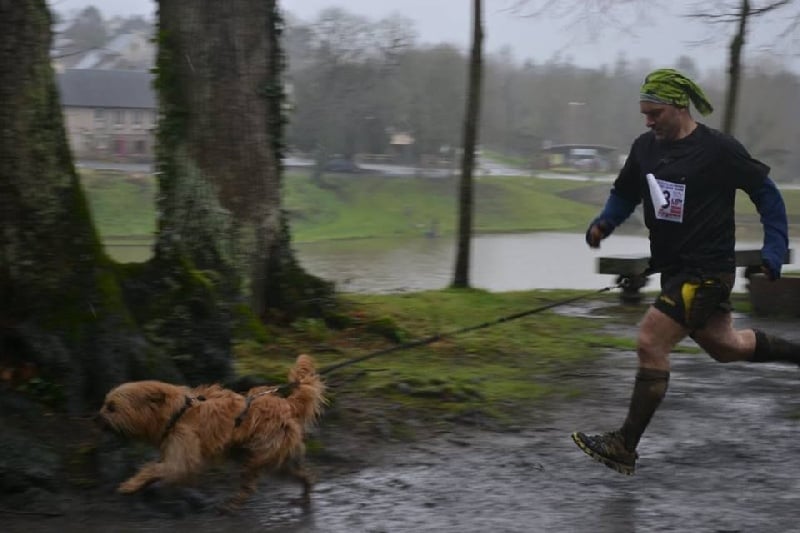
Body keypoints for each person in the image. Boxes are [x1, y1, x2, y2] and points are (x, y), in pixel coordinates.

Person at [571, 68, 800, 476]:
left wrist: (775, 246)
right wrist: (604, 223)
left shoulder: (718, 150)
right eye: (644, 113)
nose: (648, 121)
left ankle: (623, 445)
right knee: (725, 346)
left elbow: (766, 193)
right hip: (674, 270)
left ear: (679, 106)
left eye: (655, 112)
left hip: (708, 273)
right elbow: (625, 193)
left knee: (649, 341)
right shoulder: (644, 148)